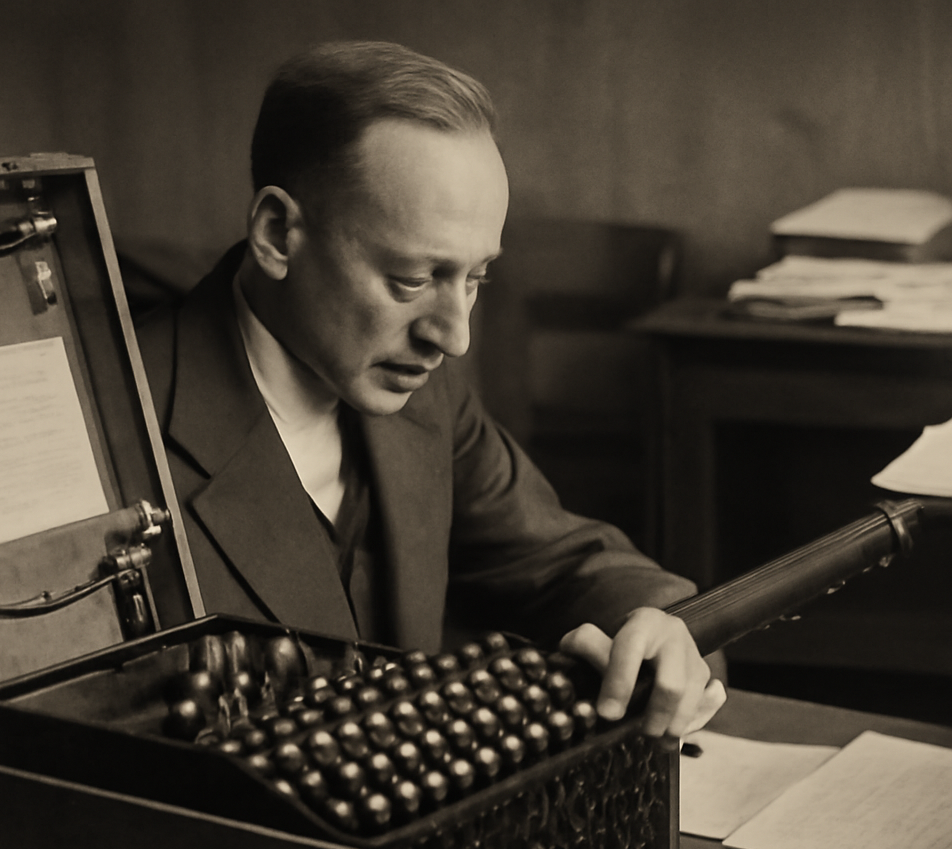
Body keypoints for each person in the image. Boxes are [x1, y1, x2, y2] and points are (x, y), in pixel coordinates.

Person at [137, 40, 725, 740]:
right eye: (413, 280)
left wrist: (658, 627)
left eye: (475, 279)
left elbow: (565, 563)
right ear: (276, 234)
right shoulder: (117, 427)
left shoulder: (426, 392)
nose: (454, 337)